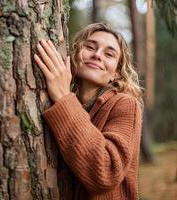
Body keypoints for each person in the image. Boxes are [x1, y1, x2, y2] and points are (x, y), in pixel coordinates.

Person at [33, 23, 143, 200]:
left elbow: (105, 173)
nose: (97, 55)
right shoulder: (64, 101)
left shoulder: (125, 104)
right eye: (90, 47)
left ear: (116, 73)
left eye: (109, 54)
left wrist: (63, 98)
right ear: (75, 54)